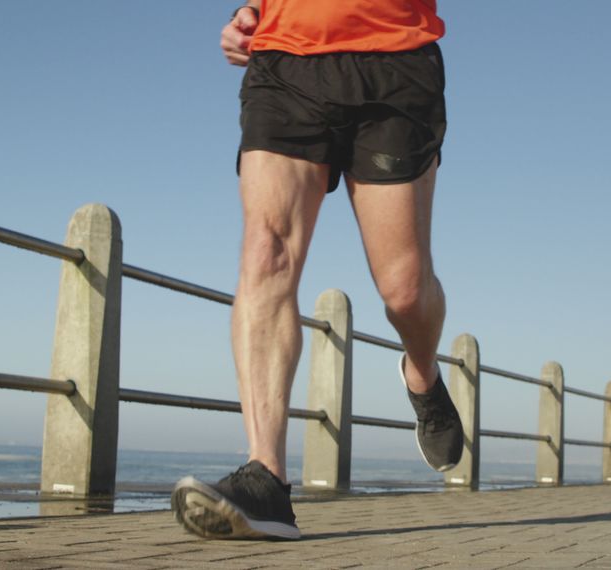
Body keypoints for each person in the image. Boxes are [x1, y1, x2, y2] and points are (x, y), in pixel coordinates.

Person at [171, 0, 462, 540]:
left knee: (403, 290)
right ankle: (266, 478)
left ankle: (423, 373)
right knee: (266, 251)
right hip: (285, 63)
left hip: (395, 59)